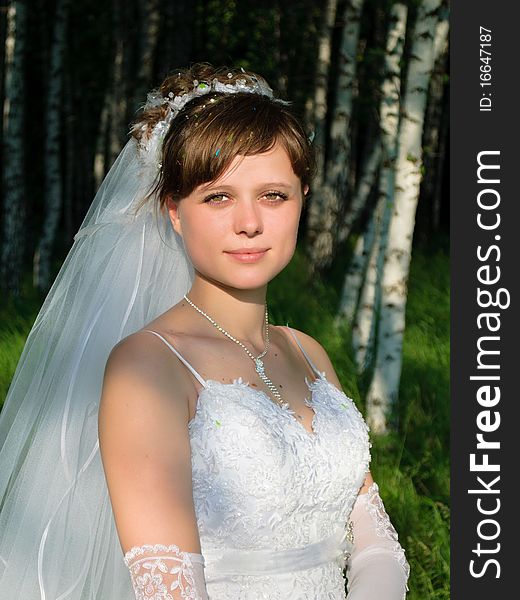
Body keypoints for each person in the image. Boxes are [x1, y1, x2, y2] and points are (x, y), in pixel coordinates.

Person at [0, 63, 409, 599]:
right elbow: (170, 588)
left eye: (273, 195)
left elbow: (376, 541)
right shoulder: (147, 366)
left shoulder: (307, 352)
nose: (248, 223)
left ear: (302, 198)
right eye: (218, 197)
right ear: (174, 210)